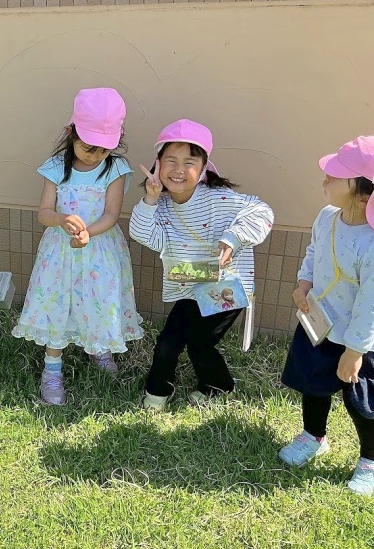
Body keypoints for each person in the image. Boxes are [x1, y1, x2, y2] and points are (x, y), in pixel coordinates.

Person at [130, 119, 273, 410]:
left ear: (204, 167)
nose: (178, 169)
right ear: (158, 164)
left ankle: (218, 386)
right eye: (171, 160)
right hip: (190, 287)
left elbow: (262, 212)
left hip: (225, 287)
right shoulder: (161, 205)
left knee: (199, 342)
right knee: (168, 341)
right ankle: (157, 391)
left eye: (189, 162)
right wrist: (149, 199)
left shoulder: (220, 199)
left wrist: (233, 238)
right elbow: (144, 235)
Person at [12, 88, 143, 405]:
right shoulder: (57, 166)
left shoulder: (115, 168)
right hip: (60, 250)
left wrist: (88, 232)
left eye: (103, 150)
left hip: (99, 249)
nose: (94, 155)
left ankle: (98, 347)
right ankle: (52, 368)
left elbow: (111, 214)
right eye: (88, 147)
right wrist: (60, 219)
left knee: (98, 299)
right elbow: (44, 212)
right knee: (58, 302)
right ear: (71, 132)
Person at [279, 135, 374, 496]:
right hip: (319, 325)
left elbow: (370, 303)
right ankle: (313, 436)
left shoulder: (372, 242)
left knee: (363, 403)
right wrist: (304, 283)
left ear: (364, 195)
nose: (326, 178)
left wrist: (355, 351)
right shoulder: (327, 217)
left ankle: (370, 459)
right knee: (312, 384)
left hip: (360, 339)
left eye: (336, 175)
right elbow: (314, 251)